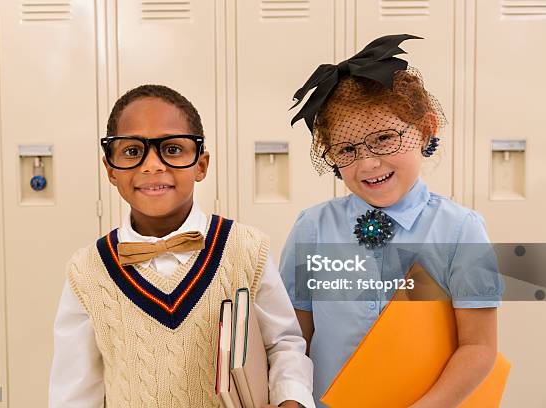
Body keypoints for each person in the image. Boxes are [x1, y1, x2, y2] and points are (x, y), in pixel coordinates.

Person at [49, 84, 315, 408]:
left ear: (201, 165)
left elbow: (284, 344)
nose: (152, 165)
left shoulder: (246, 249)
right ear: (110, 169)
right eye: (132, 151)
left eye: (172, 149)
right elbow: (74, 391)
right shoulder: (87, 271)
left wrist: (291, 398)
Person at [281, 34, 503, 408]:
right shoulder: (313, 228)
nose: (368, 163)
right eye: (347, 149)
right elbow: (295, 338)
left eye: (384, 138)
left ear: (425, 130)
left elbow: (479, 347)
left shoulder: (460, 230)